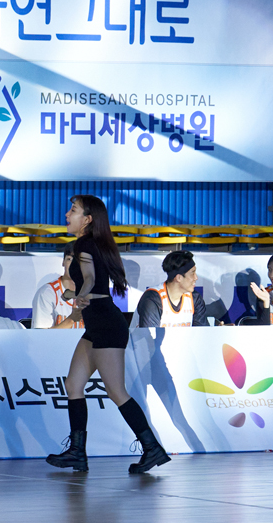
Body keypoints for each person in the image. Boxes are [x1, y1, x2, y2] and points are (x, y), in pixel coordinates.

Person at [46, 195, 171, 475]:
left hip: (106, 325)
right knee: (73, 385)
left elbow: (90, 279)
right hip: (97, 325)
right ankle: (77, 452)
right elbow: (92, 281)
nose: (67, 214)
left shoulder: (84, 244)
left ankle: (152, 448)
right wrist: (76, 294)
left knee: (116, 391)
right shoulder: (92, 243)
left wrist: (81, 294)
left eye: (73, 210)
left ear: (87, 219)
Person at [135, 250, 209, 327]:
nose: (196, 278)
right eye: (192, 273)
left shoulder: (195, 298)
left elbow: (201, 331)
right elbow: (150, 334)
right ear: (178, 278)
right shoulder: (153, 298)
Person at [31, 250, 82, 329]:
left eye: (79, 260)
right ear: (63, 262)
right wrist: (71, 319)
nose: (73, 265)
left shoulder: (93, 293)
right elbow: (41, 334)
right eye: (70, 259)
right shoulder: (46, 293)